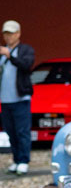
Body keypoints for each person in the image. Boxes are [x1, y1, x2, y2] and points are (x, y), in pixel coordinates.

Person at [0, 20, 35, 175]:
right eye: (6, 34)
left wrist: (10, 56)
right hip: (5, 100)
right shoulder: (2, 52)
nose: (8, 37)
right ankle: (16, 160)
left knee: (22, 131)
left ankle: (23, 160)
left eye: (11, 34)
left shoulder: (25, 50)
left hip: (21, 99)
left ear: (18, 34)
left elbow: (26, 65)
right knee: (10, 132)